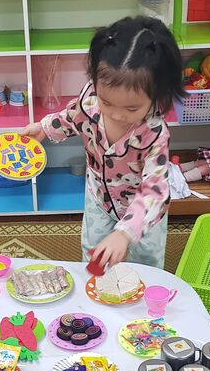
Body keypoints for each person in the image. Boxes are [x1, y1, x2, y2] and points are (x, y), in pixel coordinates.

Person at [22, 16, 184, 269]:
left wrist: (125, 233)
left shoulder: (154, 133)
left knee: (146, 262)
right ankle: (95, 290)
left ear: (158, 95)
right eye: (106, 102)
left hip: (142, 207)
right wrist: (44, 128)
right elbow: (73, 117)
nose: (116, 115)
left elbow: (155, 189)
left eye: (131, 108)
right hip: (99, 195)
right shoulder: (90, 98)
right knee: (94, 251)